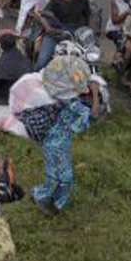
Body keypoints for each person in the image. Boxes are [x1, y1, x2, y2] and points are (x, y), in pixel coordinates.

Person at [32, 56, 97, 214]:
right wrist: (94, 93)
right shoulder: (72, 104)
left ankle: (46, 197)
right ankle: (47, 201)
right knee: (63, 177)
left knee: (56, 174)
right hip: (56, 143)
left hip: (52, 140)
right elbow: (93, 115)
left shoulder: (54, 93)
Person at [34, 0, 92, 71]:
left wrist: (89, 32)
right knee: (42, 62)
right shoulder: (57, 0)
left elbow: (88, 17)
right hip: (56, 33)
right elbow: (43, 15)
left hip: (75, 33)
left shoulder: (83, 0)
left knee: (88, 60)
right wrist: (48, 28)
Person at [0, 32, 32, 105]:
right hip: (27, 94)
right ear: (15, 44)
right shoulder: (25, 59)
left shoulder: (0, 64)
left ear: (1, 46)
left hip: (10, 99)